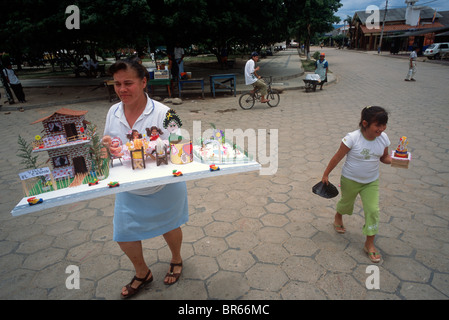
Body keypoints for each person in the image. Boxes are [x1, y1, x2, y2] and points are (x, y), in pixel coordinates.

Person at [103, 58, 188, 298]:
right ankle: (142, 272)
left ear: (143, 82)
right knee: (124, 233)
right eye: (117, 84)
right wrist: (108, 146)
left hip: (164, 187)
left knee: (170, 226)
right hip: (129, 188)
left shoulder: (165, 112)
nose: (122, 89)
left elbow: (178, 143)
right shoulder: (113, 112)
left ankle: (176, 258)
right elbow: (109, 141)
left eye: (128, 83)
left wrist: (153, 146)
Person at [321, 106, 392, 263]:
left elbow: (384, 157)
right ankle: (338, 216)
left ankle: (369, 244)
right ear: (365, 123)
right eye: (378, 125)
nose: (382, 129)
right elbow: (337, 157)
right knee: (346, 203)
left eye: (384, 124)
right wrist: (326, 174)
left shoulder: (383, 138)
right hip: (350, 179)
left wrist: (396, 161)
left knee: (373, 210)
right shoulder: (352, 138)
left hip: (371, 182)